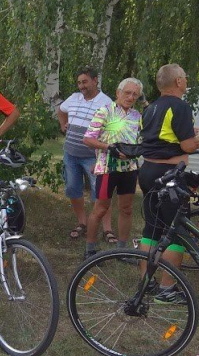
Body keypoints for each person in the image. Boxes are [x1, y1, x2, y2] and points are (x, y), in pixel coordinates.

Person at [138, 63, 199, 304]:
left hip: (148, 170)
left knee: (152, 227)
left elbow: (164, 136)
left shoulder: (150, 108)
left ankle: (146, 283)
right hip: (169, 173)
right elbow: (187, 146)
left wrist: (187, 134)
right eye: (185, 77)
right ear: (179, 82)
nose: (186, 80)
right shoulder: (180, 106)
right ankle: (166, 290)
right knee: (176, 231)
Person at [82, 77, 144, 259]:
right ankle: (90, 250)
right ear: (118, 92)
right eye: (127, 93)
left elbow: (142, 139)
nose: (131, 97)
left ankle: (122, 251)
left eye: (135, 94)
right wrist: (109, 148)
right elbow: (88, 139)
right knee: (100, 209)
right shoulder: (104, 111)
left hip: (129, 169)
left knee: (126, 209)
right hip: (107, 167)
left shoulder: (137, 117)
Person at [57, 67, 114, 241]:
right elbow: (61, 109)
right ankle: (82, 222)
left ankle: (107, 229)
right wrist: (62, 124)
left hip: (93, 156)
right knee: (73, 189)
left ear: (95, 80)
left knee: (101, 192)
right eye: (79, 82)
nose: (81, 86)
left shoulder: (106, 102)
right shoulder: (74, 98)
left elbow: (112, 128)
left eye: (85, 82)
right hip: (71, 154)